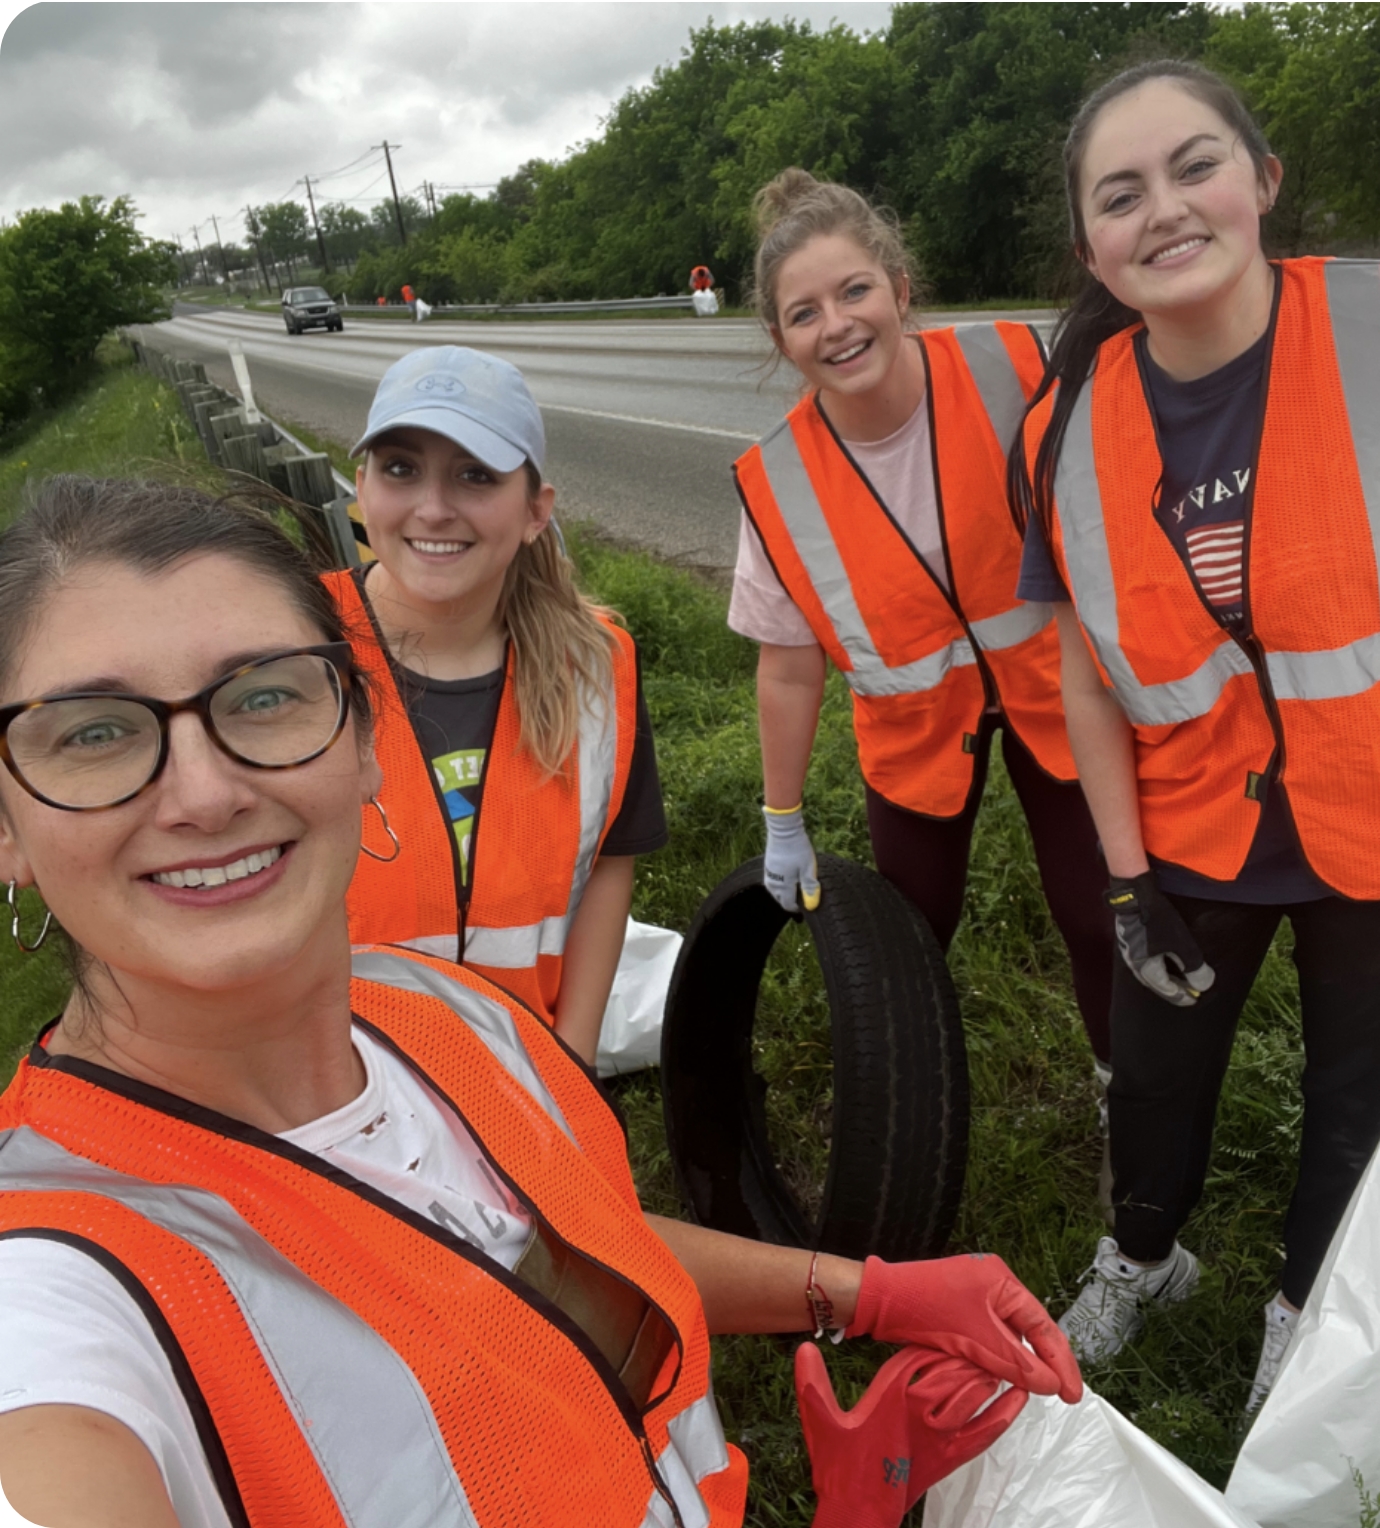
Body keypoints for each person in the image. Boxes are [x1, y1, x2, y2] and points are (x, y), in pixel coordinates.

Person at [0, 477, 1080, 1526]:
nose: (205, 791)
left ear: (366, 742)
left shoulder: (447, 1012)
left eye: (265, 694)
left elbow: (553, 1245)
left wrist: (870, 1294)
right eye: (94, 731)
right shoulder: (54, 1285)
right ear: (8, 828)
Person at [1008, 59, 1380, 1413]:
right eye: (1121, 192)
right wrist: (1119, 874)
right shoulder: (1063, 421)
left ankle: (1302, 1307)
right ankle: (1144, 1258)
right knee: (1152, 1081)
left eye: (1195, 164)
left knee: (1360, 1099)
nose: (1164, 208)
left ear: (1263, 180)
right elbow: (1087, 676)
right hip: (1195, 827)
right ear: (1091, 241)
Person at [729, 168, 1117, 1091]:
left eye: (855, 290)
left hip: (1064, 692)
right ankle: (913, 1107)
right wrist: (782, 821)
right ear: (781, 342)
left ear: (902, 289)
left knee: (1099, 912)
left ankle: (1121, 1092)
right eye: (805, 313)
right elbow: (788, 672)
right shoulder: (774, 480)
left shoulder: (1018, 365)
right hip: (911, 733)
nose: (839, 325)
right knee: (909, 927)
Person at [328, 346, 667, 1066]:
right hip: (341, 1096)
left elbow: (610, 866)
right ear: (361, 486)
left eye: (475, 475)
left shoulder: (594, 667)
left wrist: (570, 1065)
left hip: (528, 1077)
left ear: (536, 511)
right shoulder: (295, 650)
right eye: (400, 468)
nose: (433, 507)